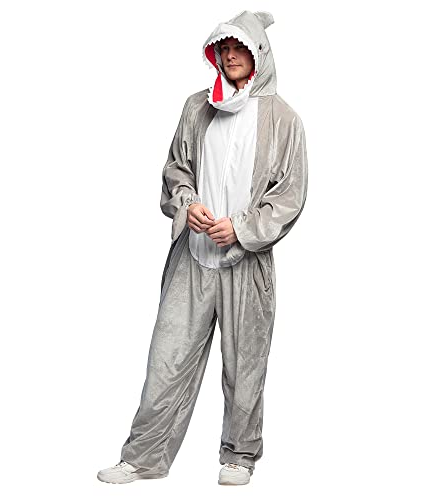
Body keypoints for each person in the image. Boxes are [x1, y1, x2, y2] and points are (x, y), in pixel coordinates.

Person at [97, 9, 308, 486]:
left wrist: (241, 229)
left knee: (245, 365)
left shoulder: (283, 119)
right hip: (191, 258)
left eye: (239, 48)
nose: (230, 55)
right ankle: (144, 456)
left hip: (247, 264)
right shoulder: (197, 107)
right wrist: (187, 203)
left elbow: (289, 195)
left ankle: (239, 456)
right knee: (166, 358)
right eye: (223, 48)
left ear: (259, 54)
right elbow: (177, 168)